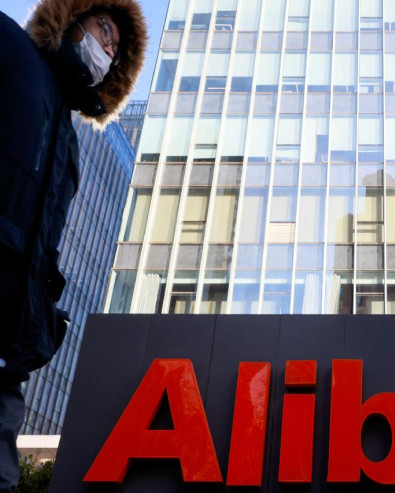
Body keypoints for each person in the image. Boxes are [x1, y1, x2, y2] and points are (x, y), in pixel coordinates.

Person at [0, 0, 146, 490]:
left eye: (115, 48)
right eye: (104, 30)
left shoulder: (71, 143)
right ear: (72, 17)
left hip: (9, 348)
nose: (107, 48)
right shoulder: (8, 46)